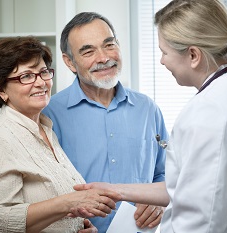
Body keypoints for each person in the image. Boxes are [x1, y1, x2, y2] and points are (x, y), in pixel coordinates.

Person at [74, 0, 227, 232]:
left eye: (164, 52)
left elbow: (199, 219)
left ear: (193, 55)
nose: (162, 60)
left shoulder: (210, 110)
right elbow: (187, 186)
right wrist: (116, 190)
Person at [0, 36, 120, 233]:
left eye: (43, 72)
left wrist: (76, 226)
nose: (40, 83)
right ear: (1, 90)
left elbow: (48, 212)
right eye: (26, 76)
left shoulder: (46, 130)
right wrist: (69, 202)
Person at [42, 12, 168, 232]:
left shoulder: (148, 109)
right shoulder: (49, 115)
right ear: (69, 62)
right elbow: (43, 191)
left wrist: (158, 203)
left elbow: (164, 174)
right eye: (88, 51)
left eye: (109, 45)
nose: (103, 58)